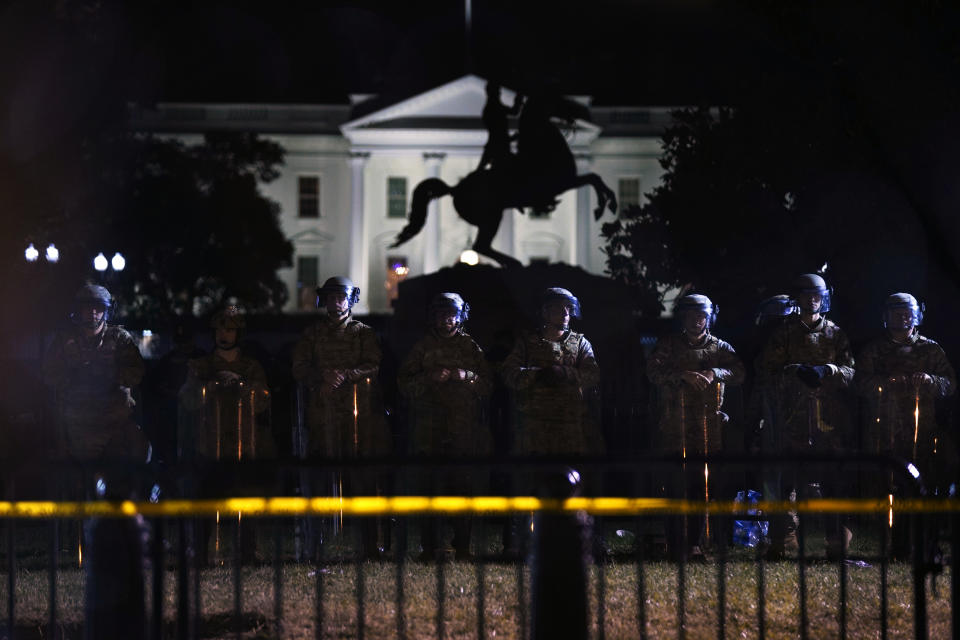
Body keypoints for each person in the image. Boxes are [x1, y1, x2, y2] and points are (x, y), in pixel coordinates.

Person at [757, 273, 856, 559]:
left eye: (817, 295)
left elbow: (851, 373)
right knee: (786, 484)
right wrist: (794, 370)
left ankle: (836, 545)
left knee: (832, 483)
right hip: (791, 419)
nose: (812, 300)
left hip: (828, 421)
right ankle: (784, 544)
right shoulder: (783, 334)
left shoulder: (836, 334)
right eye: (807, 295)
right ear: (797, 299)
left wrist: (830, 370)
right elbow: (767, 372)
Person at [291, 276, 390, 560]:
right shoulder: (311, 335)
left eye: (341, 297)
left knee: (363, 482)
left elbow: (373, 365)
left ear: (350, 299)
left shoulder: (363, 333)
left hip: (359, 419)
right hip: (322, 417)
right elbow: (299, 367)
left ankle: (370, 545)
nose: (336, 302)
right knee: (320, 481)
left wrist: (345, 375)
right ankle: (315, 547)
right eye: (331, 297)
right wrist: (320, 376)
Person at [501, 287, 602, 557]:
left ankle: (579, 541)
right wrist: (538, 374)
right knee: (530, 481)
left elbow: (592, 373)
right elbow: (509, 373)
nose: (566, 313)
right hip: (534, 425)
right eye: (560, 308)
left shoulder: (580, 343)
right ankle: (523, 543)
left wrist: (565, 373)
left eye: (568, 308)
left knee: (574, 482)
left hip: (571, 426)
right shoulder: (527, 342)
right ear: (546, 312)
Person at [855, 293, 956, 556]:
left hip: (921, 433)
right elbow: (859, 384)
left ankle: (919, 544)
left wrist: (930, 381)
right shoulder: (874, 351)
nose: (903, 318)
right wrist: (886, 383)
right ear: (886, 317)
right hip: (884, 433)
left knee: (920, 489)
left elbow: (949, 384)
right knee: (887, 489)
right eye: (897, 313)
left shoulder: (930, 349)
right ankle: (890, 545)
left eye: (908, 312)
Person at [646, 294, 745, 558]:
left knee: (703, 487)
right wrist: (681, 375)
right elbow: (652, 372)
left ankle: (698, 544)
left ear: (709, 318)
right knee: (675, 487)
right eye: (691, 316)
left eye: (701, 316)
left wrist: (715, 373)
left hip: (708, 429)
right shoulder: (669, 345)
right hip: (674, 427)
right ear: (683, 318)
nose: (696, 321)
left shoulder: (720, 348)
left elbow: (739, 372)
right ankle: (674, 544)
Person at [398, 293, 492, 559]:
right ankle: (429, 547)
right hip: (429, 430)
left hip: (463, 430)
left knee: (462, 487)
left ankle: (462, 546)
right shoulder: (423, 347)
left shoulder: (471, 347)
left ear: (460, 316)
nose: (446, 320)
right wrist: (428, 378)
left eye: (451, 315)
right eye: (441, 315)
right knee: (429, 488)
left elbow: (487, 385)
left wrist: (467, 376)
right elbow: (404, 383)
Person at [178, 306, 273, 564]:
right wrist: (207, 387)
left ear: (238, 333)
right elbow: (187, 400)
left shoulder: (251, 366)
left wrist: (242, 385)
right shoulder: (201, 366)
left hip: (244, 443)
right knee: (206, 501)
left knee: (246, 499)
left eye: (230, 329)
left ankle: (247, 553)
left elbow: (264, 400)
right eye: (220, 328)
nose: (224, 334)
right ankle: (201, 553)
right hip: (209, 443)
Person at [43, 284, 148, 465]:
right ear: (79, 310)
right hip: (77, 425)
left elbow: (137, 372)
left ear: (105, 311)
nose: (92, 312)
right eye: (87, 307)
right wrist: (74, 377)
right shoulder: (64, 340)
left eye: (98, 308)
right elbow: (49, 373)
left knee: (139, 457)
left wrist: (112, 375)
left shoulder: (119, 338)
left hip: (114, 424)